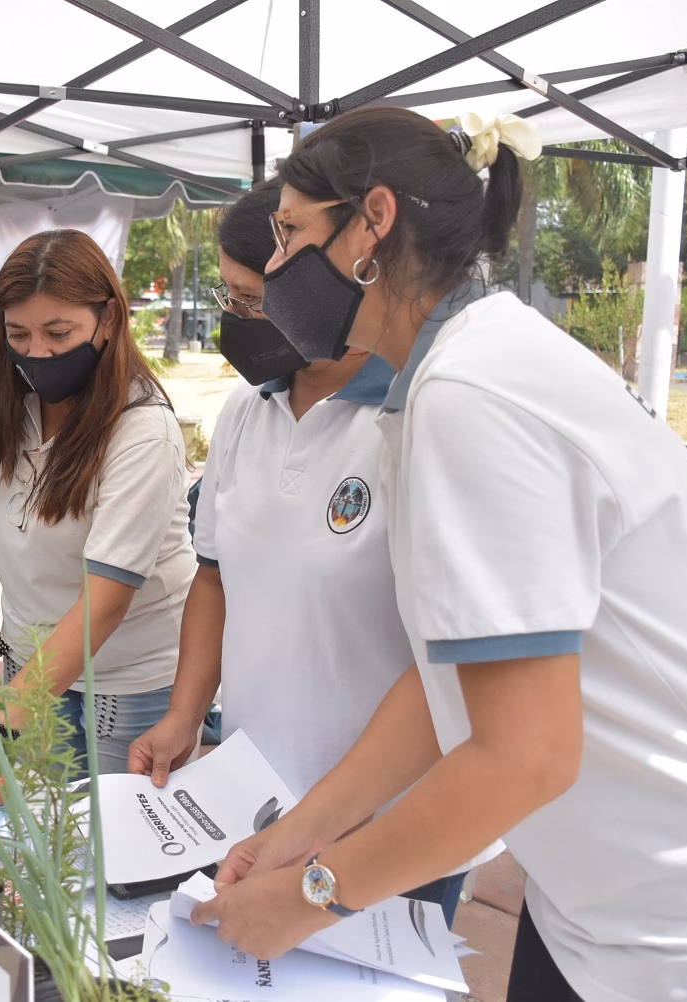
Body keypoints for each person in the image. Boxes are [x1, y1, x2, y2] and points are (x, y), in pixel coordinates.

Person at [191, 106, 687, 1002]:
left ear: (373, 222)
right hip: (596, 903)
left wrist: (313, 896)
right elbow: (449, 684)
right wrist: (303, 831)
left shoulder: (472, 394)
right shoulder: (447, 377)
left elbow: (524, 756)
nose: (273, 269)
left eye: (288, 233)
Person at [124, 182, 472, 926]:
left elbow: (453, 662)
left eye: (252, 300)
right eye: (228, 298)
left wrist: (337, 818)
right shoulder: (244, 413)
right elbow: (213, 576)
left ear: (324, 280)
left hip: (391, 814)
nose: (236, 319)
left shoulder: (418, 416)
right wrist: (186, 714)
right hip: (254, 794)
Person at [0, 229, 196, 774]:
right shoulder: (11, 408)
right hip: (28, 665)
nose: (36, 353)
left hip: (128, 681)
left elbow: (104, 601)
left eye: (58, 333)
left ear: (108, 319)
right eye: (18, 334)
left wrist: (4, 721)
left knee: (104, 826)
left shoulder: (143, 431)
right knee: (35, 817)